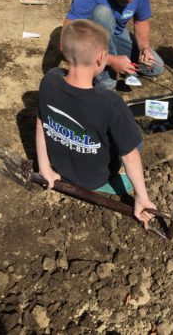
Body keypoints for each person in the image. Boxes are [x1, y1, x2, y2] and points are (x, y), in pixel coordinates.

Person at [36, 19, 156, 227]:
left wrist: (45, 169)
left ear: (64, 49)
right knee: (135, 142)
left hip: (61, 168)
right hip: (96, 178)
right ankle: (117, 183)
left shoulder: (49, 80)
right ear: (102, 58)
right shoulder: (111, 103)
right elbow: (130, 156)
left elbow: (41, 124)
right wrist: (142, 197)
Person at [64, 0, 164, 89]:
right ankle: (106, 84)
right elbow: (67, 40)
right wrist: (111, 61)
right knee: (102, 13)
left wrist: (144, 48)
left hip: (117, 34)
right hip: (90, 41)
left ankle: (117, 61)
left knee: (156, 67)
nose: (131, 0)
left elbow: (141, 20)